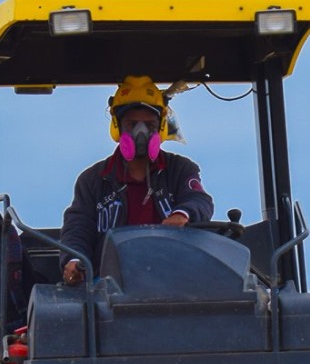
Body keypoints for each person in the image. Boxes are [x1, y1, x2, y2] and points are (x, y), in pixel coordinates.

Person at [58, 77, 214, 286]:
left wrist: (182, 213)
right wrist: (74, 260)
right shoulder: (93, 179)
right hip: (109, 287)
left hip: (176, 282)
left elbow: (200, 200)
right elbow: (78, 227)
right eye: (132, 124)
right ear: (117, 127)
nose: (141, 132)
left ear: (161, 127)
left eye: (149, 125)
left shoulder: (180, 169)